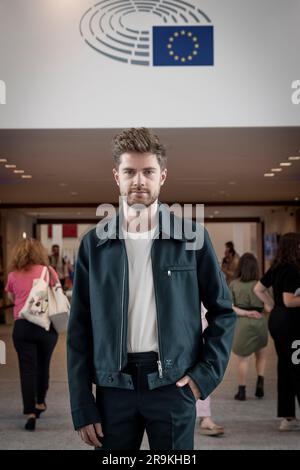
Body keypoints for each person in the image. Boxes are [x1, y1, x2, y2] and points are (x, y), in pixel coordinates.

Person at [67, 127, 236, 450]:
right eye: (130, 171)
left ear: (163, 176)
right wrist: (81, 404)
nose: (139, 181)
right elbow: (79, 330)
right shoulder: (94, 244)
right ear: (117, 176)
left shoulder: (192, 238)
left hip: (173, 385)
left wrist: (203, 378)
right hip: (113, 387)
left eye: (148, 171)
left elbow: (222, 312)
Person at [5, 238, 59, 431]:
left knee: (27, 369)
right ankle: (40, 403)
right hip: (45, 326)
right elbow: (57, 292)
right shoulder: (48, 271)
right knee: (43, 366)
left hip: (23, 326)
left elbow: (12, 297)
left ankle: (29, 411)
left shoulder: (12, 275)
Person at [254, 233, 300, 431]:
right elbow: (290, 300)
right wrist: (280, 304)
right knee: (298, 367)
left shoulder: (277, 266)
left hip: (278, 320)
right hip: (292, 323)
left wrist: (273, 306)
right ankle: (288, 417)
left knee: (285, 366)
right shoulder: (293, 269)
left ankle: (287, 417)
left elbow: (258, 289)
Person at [229, 253, 268, 401]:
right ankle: (260, 383)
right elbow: (269, 307)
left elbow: (230, 307)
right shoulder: (261, 285)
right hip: (260, 322)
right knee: (262, 356)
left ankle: (242, 392)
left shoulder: (234, 284)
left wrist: (246, 312)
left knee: (243, 359)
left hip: (242, 323)